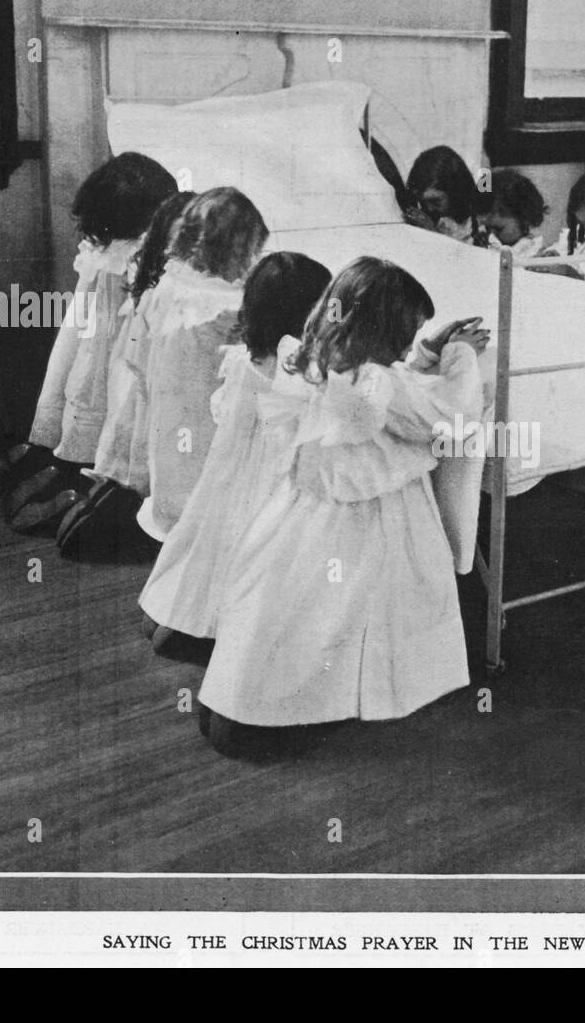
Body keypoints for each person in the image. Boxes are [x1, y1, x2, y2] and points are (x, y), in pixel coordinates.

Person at [194, 256, 489, 758]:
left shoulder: (315, 362)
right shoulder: (385, 385)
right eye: (408, 332)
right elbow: (451, 421)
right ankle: (325, 701)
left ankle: (244, 698)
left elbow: (387, 386)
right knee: (360, 607)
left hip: (303, 512)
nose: (407, 343)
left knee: (281, 605)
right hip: (371, 515)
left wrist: (423, 356)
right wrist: (459, 356)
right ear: (386, 330)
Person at [138, 252, 333, 655]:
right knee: (255, 551)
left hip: (227, 471)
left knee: (207, 545)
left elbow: (222, 410)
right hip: (268, 476)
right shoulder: (297, 364)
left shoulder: (245, 356)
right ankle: (218, 628)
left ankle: (179, 616)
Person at [0, 152, 177, 522]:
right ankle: (61, 471)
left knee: (94, 388)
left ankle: (45, 461)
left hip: (107, 340)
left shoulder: (118, 255)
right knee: (115, 389)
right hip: (122, 341)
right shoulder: (142, 254)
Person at [50, 190, 196, 554]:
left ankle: (130, 492)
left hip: (134, 372)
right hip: (149, 376)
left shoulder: (147, 274)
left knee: (135, 427)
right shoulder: (168, 289)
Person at [136, 186, 270, 540]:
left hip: (172, 400)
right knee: (206, 466)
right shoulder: (224, 302)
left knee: (175, 460)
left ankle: (174, 520)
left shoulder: (172, 281)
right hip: (202, 401)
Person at [402, 145, 488, 247]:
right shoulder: (434, 216)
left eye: (435, 201)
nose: (429, 209)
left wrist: (431, 233)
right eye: (422, 202)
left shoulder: (480, 216)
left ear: (455, 193)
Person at [482, 168, 548, 260]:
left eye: (498, 229)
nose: (491, 236)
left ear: (525, 220)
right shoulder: (484, 247)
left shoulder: (535, 251)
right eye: (488, 229)